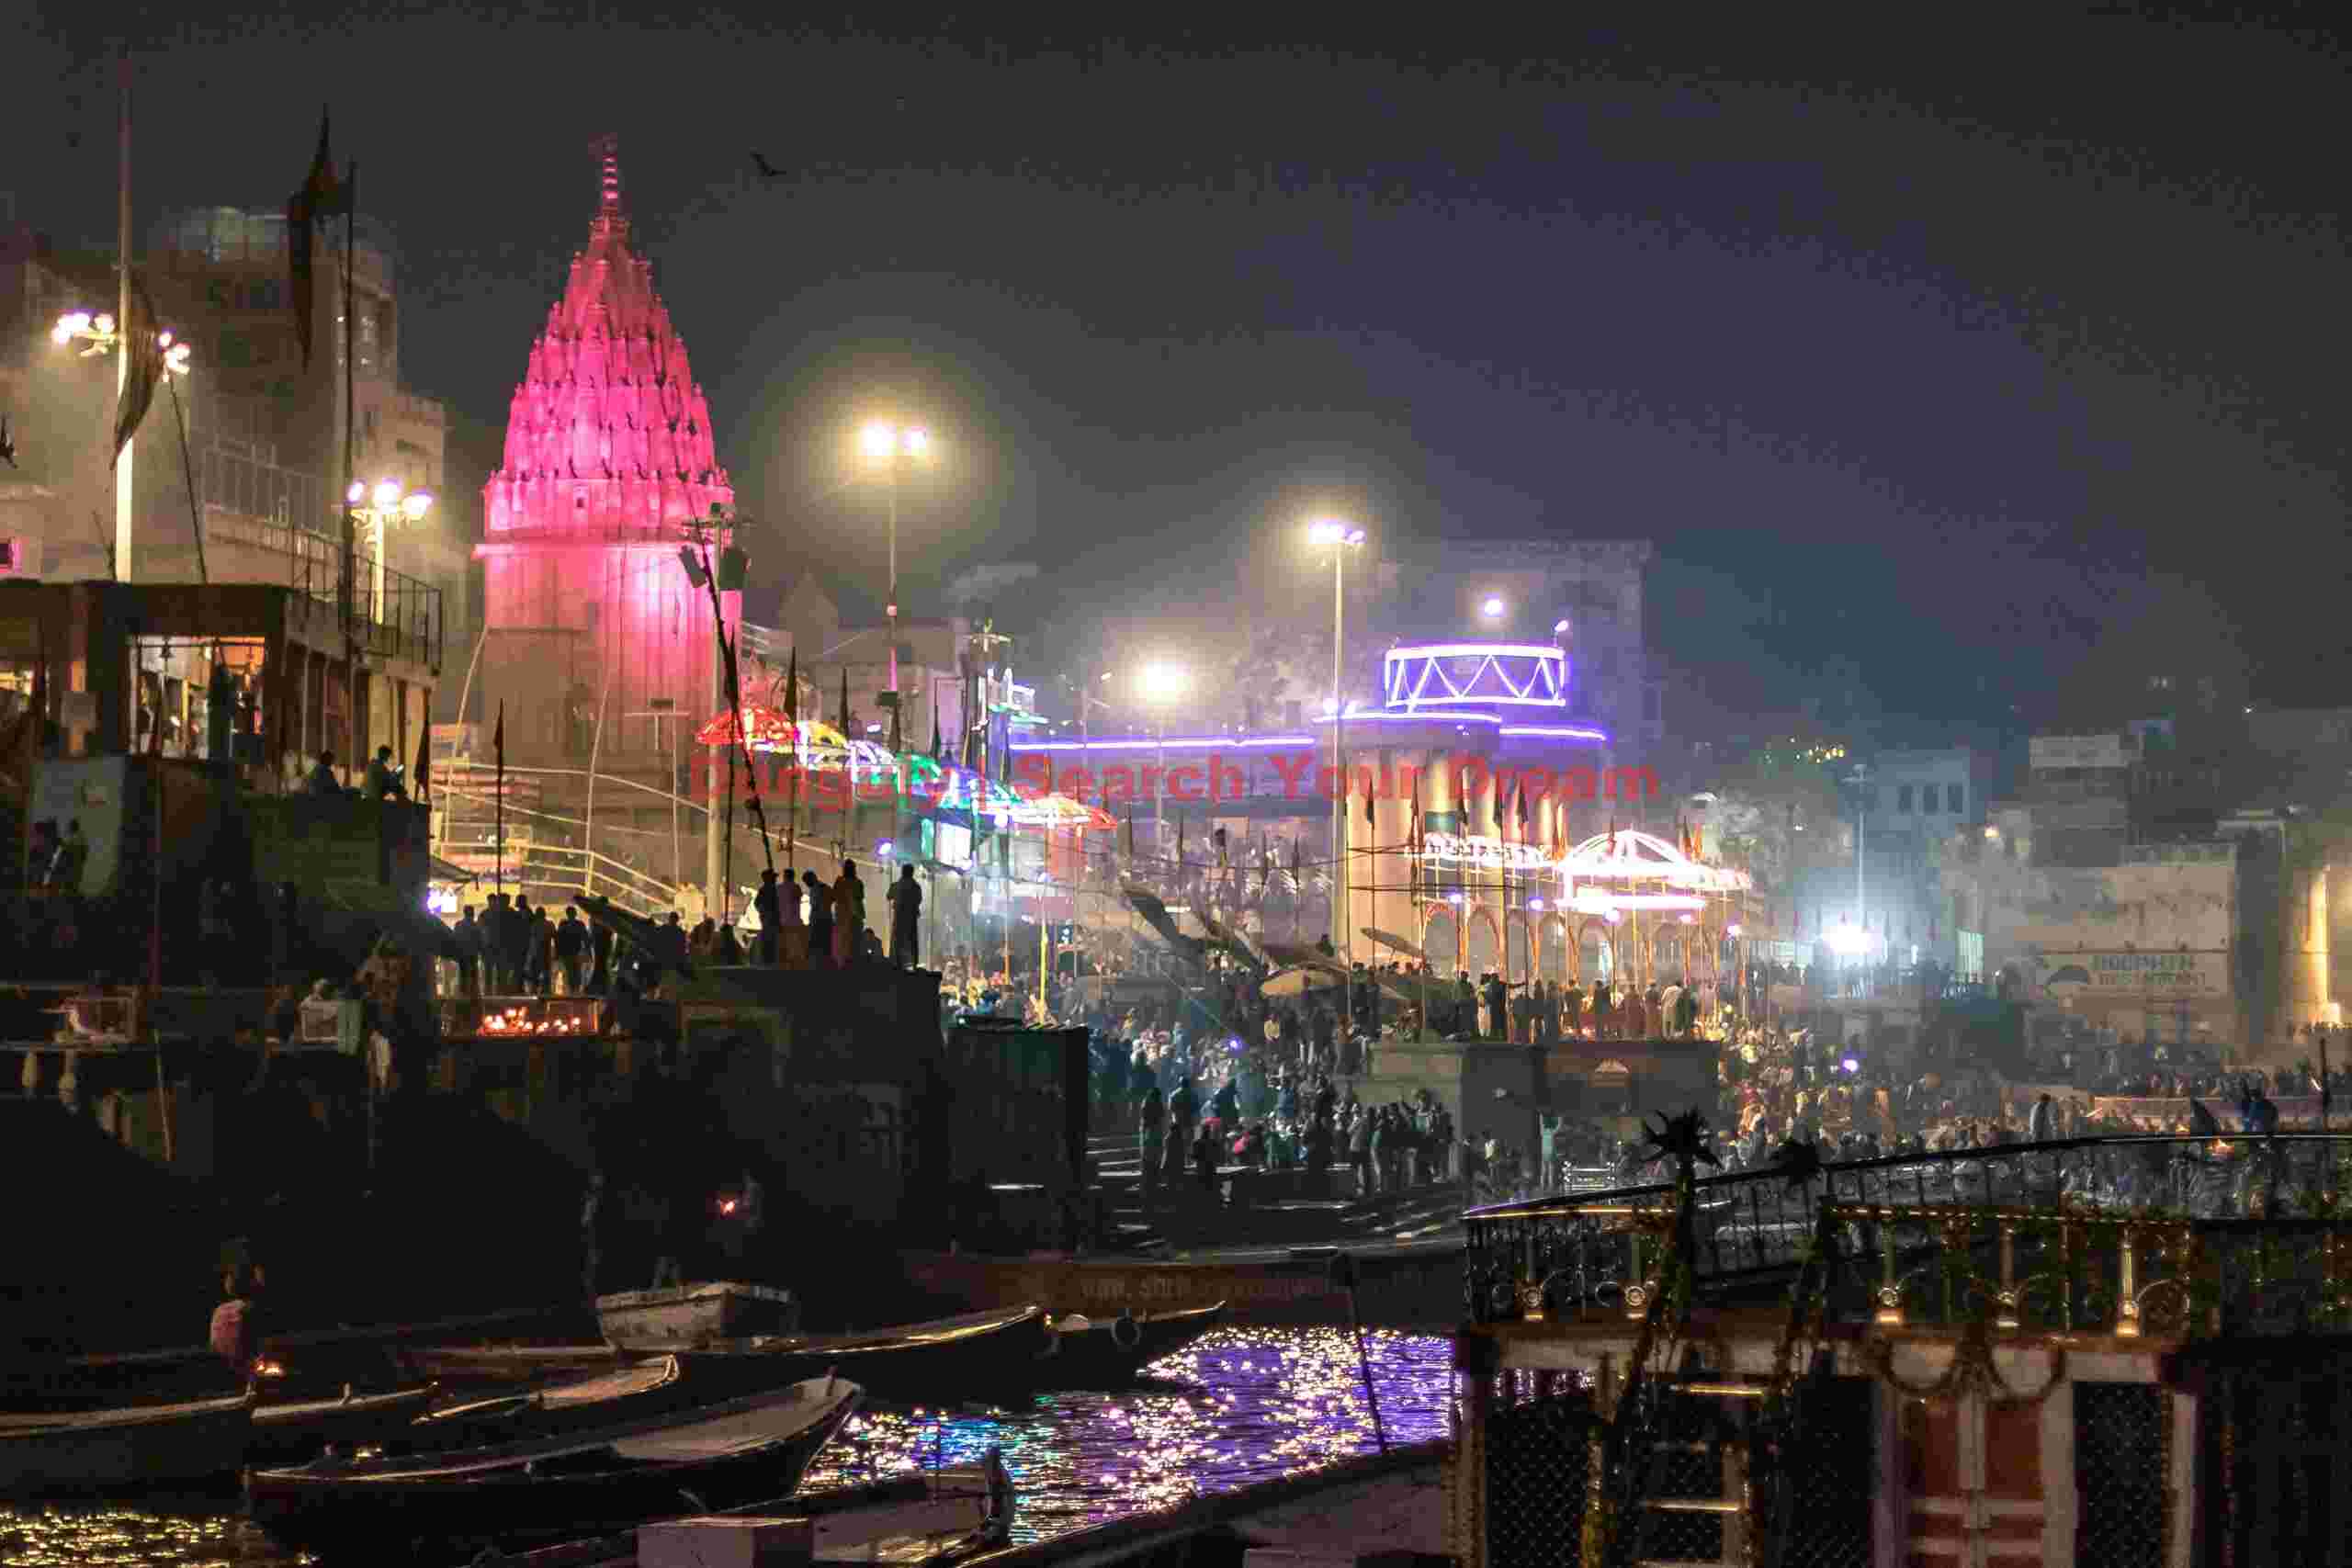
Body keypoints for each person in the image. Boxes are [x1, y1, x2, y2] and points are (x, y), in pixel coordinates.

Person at [888, 863, 922, 969]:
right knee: (912, 942)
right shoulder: (916, 886)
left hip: (899, 918)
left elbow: (888, 896)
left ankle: (896, 963)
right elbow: (919, 900)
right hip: (911, 919)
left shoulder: (896, 885)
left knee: (897, 942)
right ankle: (914, 964)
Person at [831, 860, 865, 966]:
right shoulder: (858, 882)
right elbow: (860, 897)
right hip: (855, 916)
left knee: (842, 944)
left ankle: (843, 965)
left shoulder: (839, 881)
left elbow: (834, 896)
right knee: (854, 943)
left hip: (842, 917)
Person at [554, 906, 589, 995]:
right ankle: (574, 989)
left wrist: (557, 952)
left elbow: (558, 938)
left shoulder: (564, 924)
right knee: (575, 971)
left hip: (569, 952)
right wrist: (586, 950)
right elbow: (585, 938)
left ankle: (573, 989)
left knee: (572, 971)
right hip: (574, 951)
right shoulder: (579, 924)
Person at [804, 870, 834, 967]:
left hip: (819, 922)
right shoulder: (822, 887)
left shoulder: (818, 888)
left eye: (807, 881)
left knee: (818, 948)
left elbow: (816, 907)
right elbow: (833, 897)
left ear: (812, 878)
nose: (807, 884)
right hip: (825, 920)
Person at [753, 871, 784, 965]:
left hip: (767, 918)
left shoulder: (764, 889)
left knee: (768, 938)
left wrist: (762, 912)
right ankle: (770, 959)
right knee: (772, 939)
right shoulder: (774, 889)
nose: (775, 879)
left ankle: (767, 959)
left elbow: (756, 903)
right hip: (772, 918)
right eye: (774, 877)